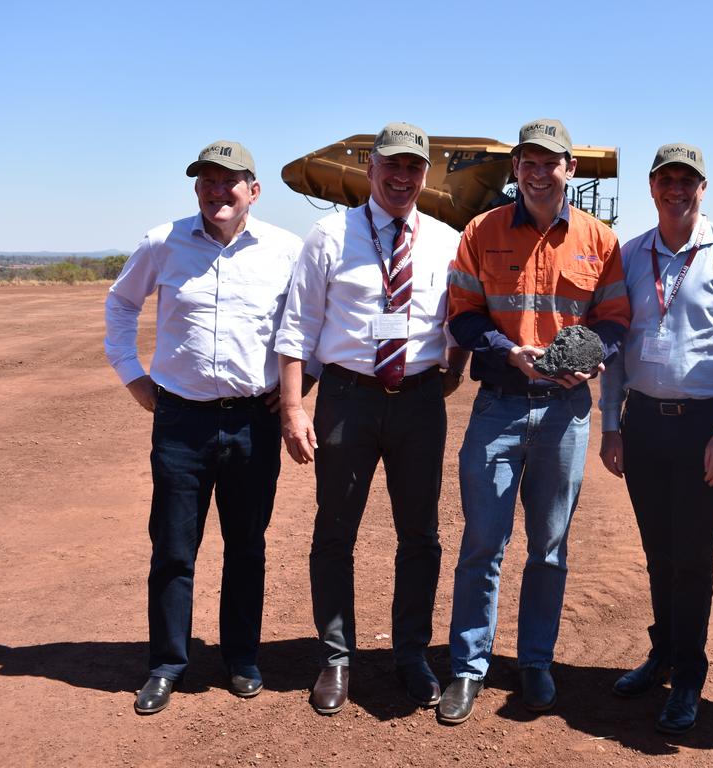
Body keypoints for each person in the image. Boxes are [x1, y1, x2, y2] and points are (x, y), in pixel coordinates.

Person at [438, 118, 630, 725]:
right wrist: (504, 349)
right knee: (482, 544)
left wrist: (590, 357)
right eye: (529, 161)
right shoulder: (481, 231)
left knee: (548, 547)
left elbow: (616, 320)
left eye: (551, 162)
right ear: (516, 168)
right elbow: (462, 316)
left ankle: (536, 662)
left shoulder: (600, 240)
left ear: (569, 169)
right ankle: (468, 667)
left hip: (566, 413)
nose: (539, 172)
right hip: (498, 405)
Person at [104, 140, 305, 715]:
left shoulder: (285, 250)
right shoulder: (162, 243)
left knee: (247, 545)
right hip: (181, 421)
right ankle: (167, 663)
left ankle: (242, 657)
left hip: (253, 421)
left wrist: (298, 390)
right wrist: (134, 377)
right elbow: (120, 307)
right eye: (207, 182)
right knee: (173, 548)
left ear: (254, 191)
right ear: (197, 188)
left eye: (230, 182)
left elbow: (307, 326)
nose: (218, 192)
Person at [275, 122, 468, 715]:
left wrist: (451, 370)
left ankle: (411, 653)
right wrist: (291, 405)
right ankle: (337, 656)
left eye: (414, 167)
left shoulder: (444, 239)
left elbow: (460, 313)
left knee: (420, 535)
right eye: (393, 165)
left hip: (417, 401)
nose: (403, 177)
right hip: (347, 398)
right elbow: (297, 325)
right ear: (371, 169)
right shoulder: (329, 235)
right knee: (335, 530)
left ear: (425, 174)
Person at [598, 143, 713, 734]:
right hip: (643, 422)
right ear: (651, 187)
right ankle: (663, 653)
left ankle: (690, 673)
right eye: (666, 179)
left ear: (703, 187)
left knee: (692, 558)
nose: (676, 189)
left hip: (703, 427)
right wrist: (611, 423)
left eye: (687, 180)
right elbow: (614, 343)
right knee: (658, 552)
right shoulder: (630, 254)